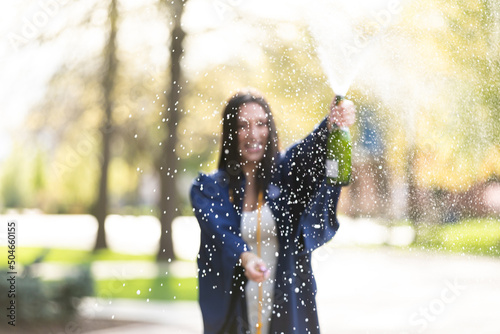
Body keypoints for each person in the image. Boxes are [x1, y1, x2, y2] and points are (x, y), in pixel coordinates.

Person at [190, 88, 356, 334]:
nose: (253, 134)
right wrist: (245, 256)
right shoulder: (211, 188)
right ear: (230, 133)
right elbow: (220, 229)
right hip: (236, 308)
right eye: (242, 126)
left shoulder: (285, 175)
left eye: (261, 124)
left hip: (286, 303)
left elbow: (307, 153)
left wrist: (330, 124)